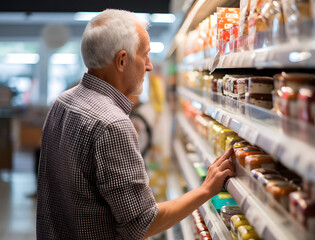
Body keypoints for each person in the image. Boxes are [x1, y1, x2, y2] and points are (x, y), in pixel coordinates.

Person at [36, 9, 234, 240]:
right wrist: (205, 190)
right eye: (145, 55)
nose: (149, 66)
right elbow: (141, 224)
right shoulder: (112, 124)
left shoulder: (62, 102)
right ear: (122, 60)